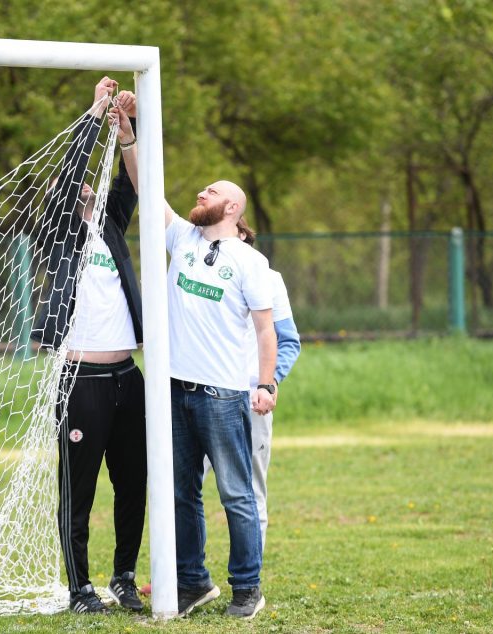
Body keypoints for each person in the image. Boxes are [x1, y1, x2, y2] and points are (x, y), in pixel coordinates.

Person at [31, 77, 147, 614]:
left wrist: (126, 128)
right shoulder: (58, 233)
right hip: (82, 381)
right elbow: (69, 177)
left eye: (88, 191)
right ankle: (80, 588)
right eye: (77, 190)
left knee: (134, 481)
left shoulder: (111, 229)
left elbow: (134, 182)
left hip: (128, 377)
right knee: (79, 489)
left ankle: (123, 575)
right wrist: (94, 111)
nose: (85, 192)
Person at [163, 182, 278, 619]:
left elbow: (267, 331)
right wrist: (129, 138)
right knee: (180, 493)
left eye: (210, 191)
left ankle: (247, 589)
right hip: (174, 390)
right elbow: (149, 190)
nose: (200, 192)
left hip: (223, 396)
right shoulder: (181, 237)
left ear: (231, 207)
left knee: (235, 494)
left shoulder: (251, 262)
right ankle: (193, 582)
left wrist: (265, 385)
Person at [203, 219, 301, 548]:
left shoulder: (269, 279)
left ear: (244, 235)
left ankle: (249, 579)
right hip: (196, 395)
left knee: (249, 489)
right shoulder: (195, 273)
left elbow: (287, 341)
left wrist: (267, 383)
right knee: (180, 490)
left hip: (247, 400)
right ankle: (180, 578)